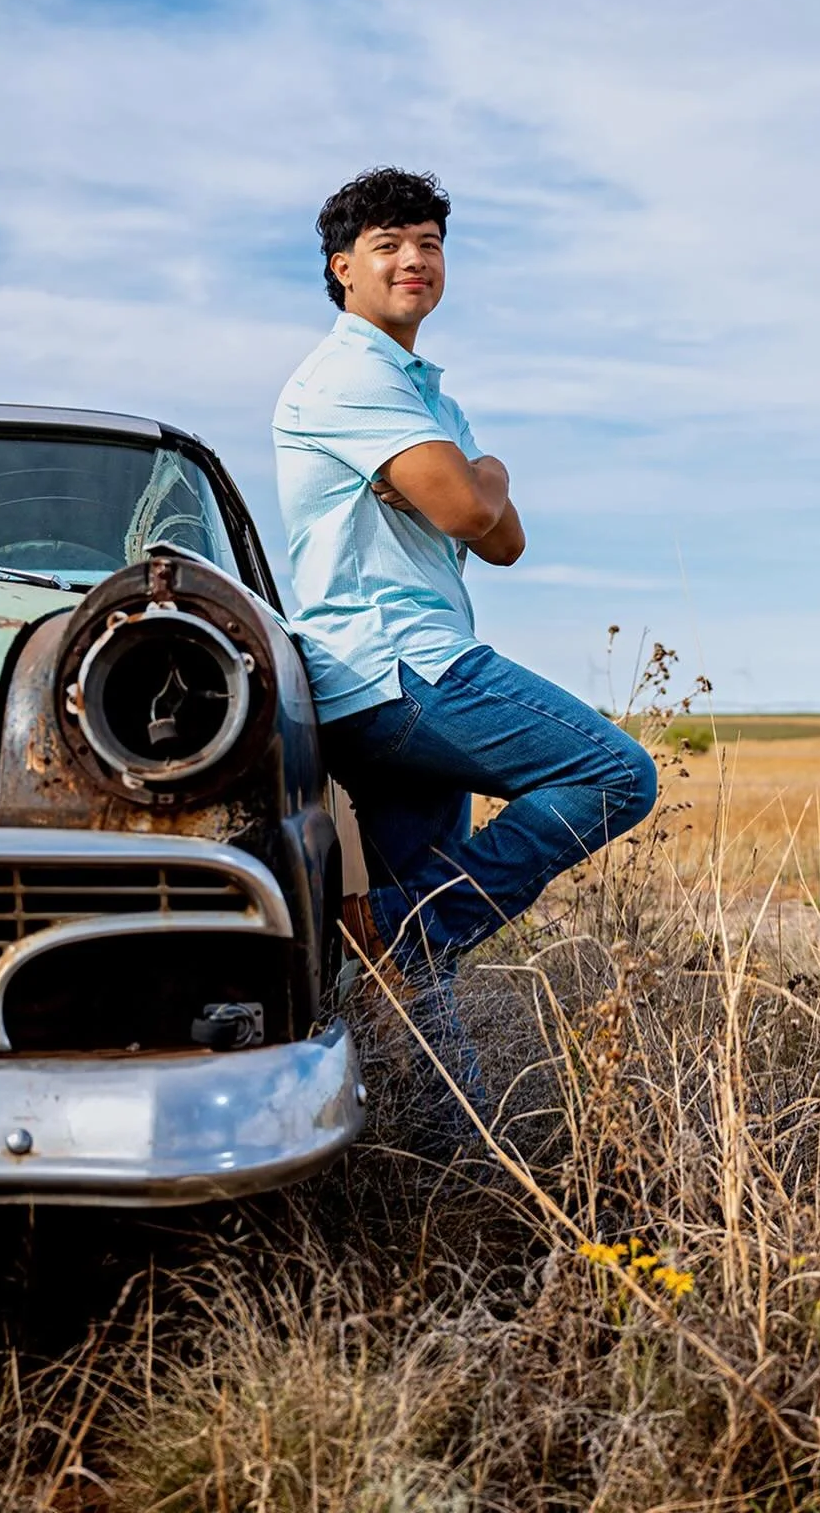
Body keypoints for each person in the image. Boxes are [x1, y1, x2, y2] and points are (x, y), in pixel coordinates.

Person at [272, 166, 658, 1041]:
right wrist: (478, 478)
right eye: (389, 246)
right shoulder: (346, 377)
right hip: (401, 665)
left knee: (421, 973)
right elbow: (470, 511)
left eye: (430, 244)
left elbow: (507, 540)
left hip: (401, 672)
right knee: (614, 775)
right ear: (343, 268)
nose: (415, 260)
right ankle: (393, 925)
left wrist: (480, 479)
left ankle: (449, 1142)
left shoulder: (425, 393)